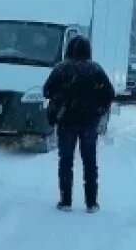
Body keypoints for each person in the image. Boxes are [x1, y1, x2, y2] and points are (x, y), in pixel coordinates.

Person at [43, 35, 115, 213]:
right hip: (89, 122)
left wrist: (62, 99)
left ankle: (65, 201)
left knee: (65, 161)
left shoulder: (61, 68)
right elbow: (110, 93)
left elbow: (46, 91)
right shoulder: (95, 69)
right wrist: (98, 109)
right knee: (89, 161)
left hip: (66, 121)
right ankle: (91, 203)